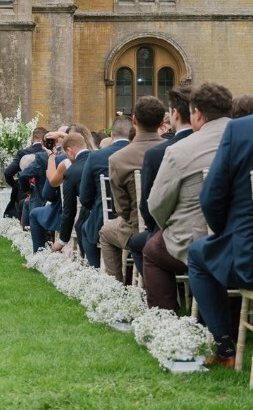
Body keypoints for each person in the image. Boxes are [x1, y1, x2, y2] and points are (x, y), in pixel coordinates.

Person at [144, 82, 233, 311]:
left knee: (152, 249)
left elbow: (157, 204)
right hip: (247, 237)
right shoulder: (247, 140)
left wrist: (168, 225)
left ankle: (166, 318)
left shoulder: (180, 149)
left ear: (198, 114)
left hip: (198, 238)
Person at [187, 113, 253, 367]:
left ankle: (225, 350)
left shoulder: (241, 130)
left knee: (197, 254)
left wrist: (223, 233)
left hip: (250, 258)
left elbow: (210, 197)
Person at [128, 86, 194, 275]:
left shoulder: (157, 154)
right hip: (213, 231)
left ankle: (157, 298)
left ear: (174, 114)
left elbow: (149, 206)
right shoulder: (216, 146)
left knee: (143, 244)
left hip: (171, 233)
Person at [99, 95, 165, 282]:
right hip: (172, 226)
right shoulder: (174, 149)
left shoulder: (118, 158)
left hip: (137, 226)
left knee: (105, 231)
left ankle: (117, 286)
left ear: (134, 120)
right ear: (162, 122)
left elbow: (122, 210)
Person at [79, 114, 132, 267]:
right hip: (140, 219)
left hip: (104, 217)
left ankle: (96, 270)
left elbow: (85, 196)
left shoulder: (96, 157)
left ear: (112, 135)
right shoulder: (143, 153)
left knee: (86, 229)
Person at [3, 126, 48, 218]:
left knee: (24, 218)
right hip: (46, 190)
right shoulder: (50, 152)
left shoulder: (23, 153)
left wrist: (17, 185)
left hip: (25, 192)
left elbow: (8, 173)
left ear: (32, 138)